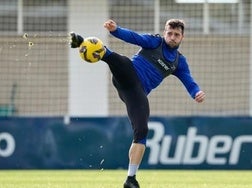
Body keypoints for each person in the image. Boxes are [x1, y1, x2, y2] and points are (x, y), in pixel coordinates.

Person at [70, 19, 205, 188]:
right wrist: (115, 30)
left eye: (176, 35)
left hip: (136, 93)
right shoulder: (155, 42)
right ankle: (82, 42)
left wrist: (196, 92)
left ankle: (131, 179)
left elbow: (189, 81)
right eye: (169, 33)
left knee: (142, 130)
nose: (172, 37)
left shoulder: (179, 62)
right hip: (127, 74)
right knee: (121, 61)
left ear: (182, 37)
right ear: (165, 33)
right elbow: (134, 37)